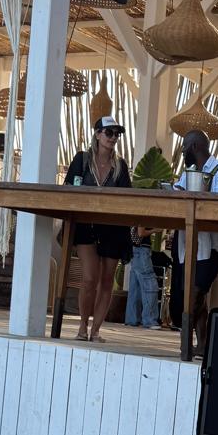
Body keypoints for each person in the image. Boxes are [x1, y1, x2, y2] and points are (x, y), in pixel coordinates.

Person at [63, 115, 133, 344]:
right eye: (109, 132)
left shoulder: (120, 165)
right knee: (89, 278)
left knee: (107, 280)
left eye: (116, 134)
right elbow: (68, 187)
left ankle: (95, 330)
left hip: (113, 228)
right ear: (97, 134)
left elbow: (128, 197)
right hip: (86, 225)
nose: (113, 137)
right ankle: (82, 325)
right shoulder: (82, 159)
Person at [171, 128, 218, 346]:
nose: (182, 152)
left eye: (184, 147)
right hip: (189, 241)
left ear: (194, 146)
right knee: (194, 290)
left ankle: (185, 344)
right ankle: (202, 344)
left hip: (215, 244)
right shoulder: (187, 173)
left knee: (196, 291)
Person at [124, 226, 161, 329]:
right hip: (142, 250)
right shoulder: (146, 217)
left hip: (136, 250)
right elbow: (141, 233)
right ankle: (150, 320)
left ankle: (132, 318)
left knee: (135, 288)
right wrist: (155, 230)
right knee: (149, 284)